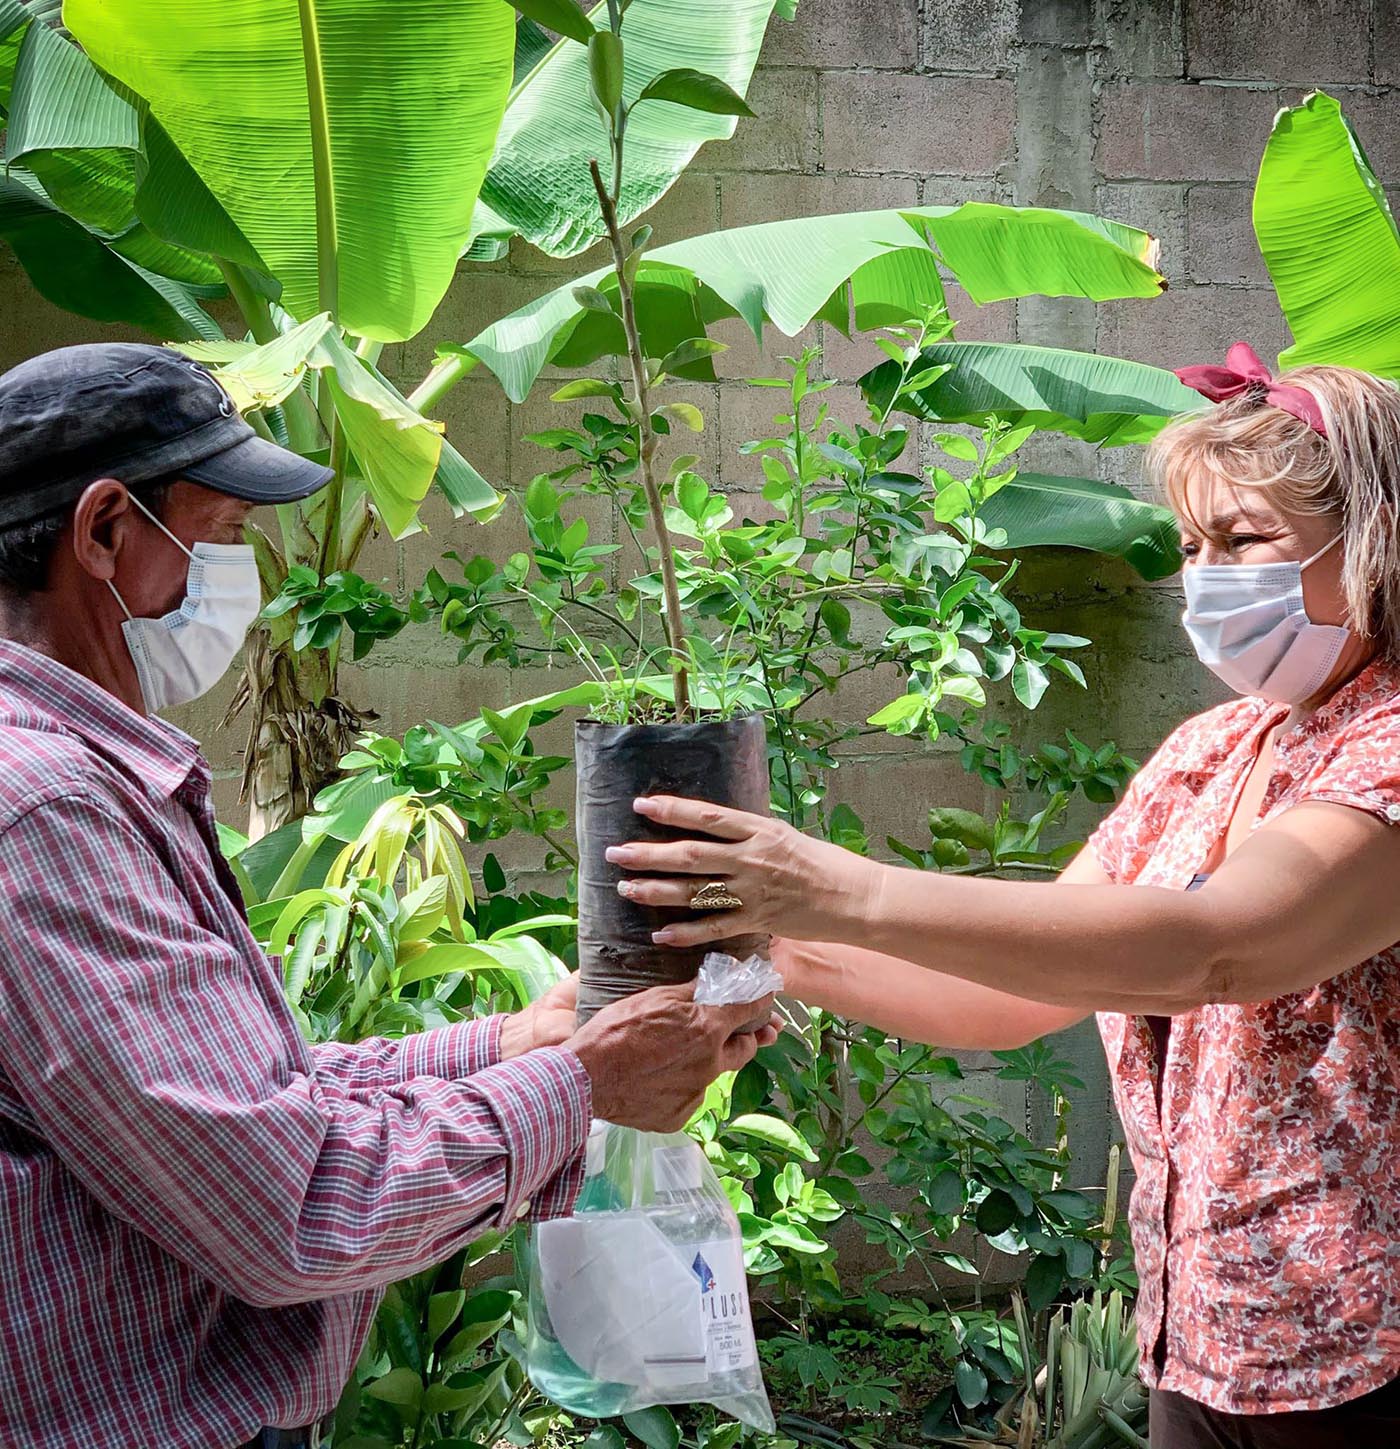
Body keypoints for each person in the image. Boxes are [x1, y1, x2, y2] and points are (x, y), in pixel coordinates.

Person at [606, 347, 1400, 1447]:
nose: (1208, 577)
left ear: (1374, 543)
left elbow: (1215, 949)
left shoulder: (1385, 745)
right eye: (1191, 546)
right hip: (1211, 1334)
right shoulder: (1212, 750)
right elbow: (1013, 994)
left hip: (1365, 1347)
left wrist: (826, 886)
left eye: (1245, 539)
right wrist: (765, 945)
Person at [0, 343, 775, 1449]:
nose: (239, 578)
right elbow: (284, 1206)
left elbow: (240, 1104)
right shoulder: (44, 808)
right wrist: (581, 1085)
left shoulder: (73, 777)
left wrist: (521, 1040)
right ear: (105, 531)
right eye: (224, 535)